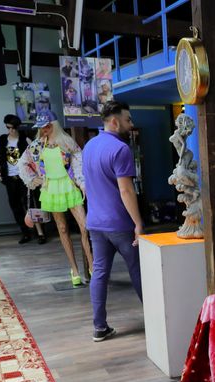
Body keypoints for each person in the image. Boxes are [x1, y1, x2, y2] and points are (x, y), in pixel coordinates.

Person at [82, 100, 143, 342]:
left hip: (95, 223)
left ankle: (99, 327)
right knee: (138, 271)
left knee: (99, 273)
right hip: (120, 224)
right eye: (128, 120)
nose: (131, 124)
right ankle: (158, 321)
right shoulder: (121, 150)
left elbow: (87, 185)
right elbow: (126, 191)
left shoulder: (88, 146)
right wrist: (138, 224)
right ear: (115, 121)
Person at [18, 110, 92, 287]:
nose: (44, 129)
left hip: (69, 186)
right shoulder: (36, 146)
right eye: (42, 127)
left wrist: (82, 182)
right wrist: (34, 179)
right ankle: (74, 269)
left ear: (54, 125)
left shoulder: (67, 143)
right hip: (51, 189)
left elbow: (78, 161)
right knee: (62, 229)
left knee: (85, 227)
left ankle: (92, 265)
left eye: (47, 126)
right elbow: (22, 163)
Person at [0, 114, 45, 244]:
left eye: (13, 128)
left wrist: (37, 175)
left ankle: (40, 232)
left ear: (17, 127)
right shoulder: (2, 140)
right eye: (8, 127)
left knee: (30, 204)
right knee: (15, 206)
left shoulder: (26, 139)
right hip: (9, 177)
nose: (11, 130)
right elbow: (0, 157)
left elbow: (36, 158)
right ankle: (25, 233)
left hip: (25, 178)